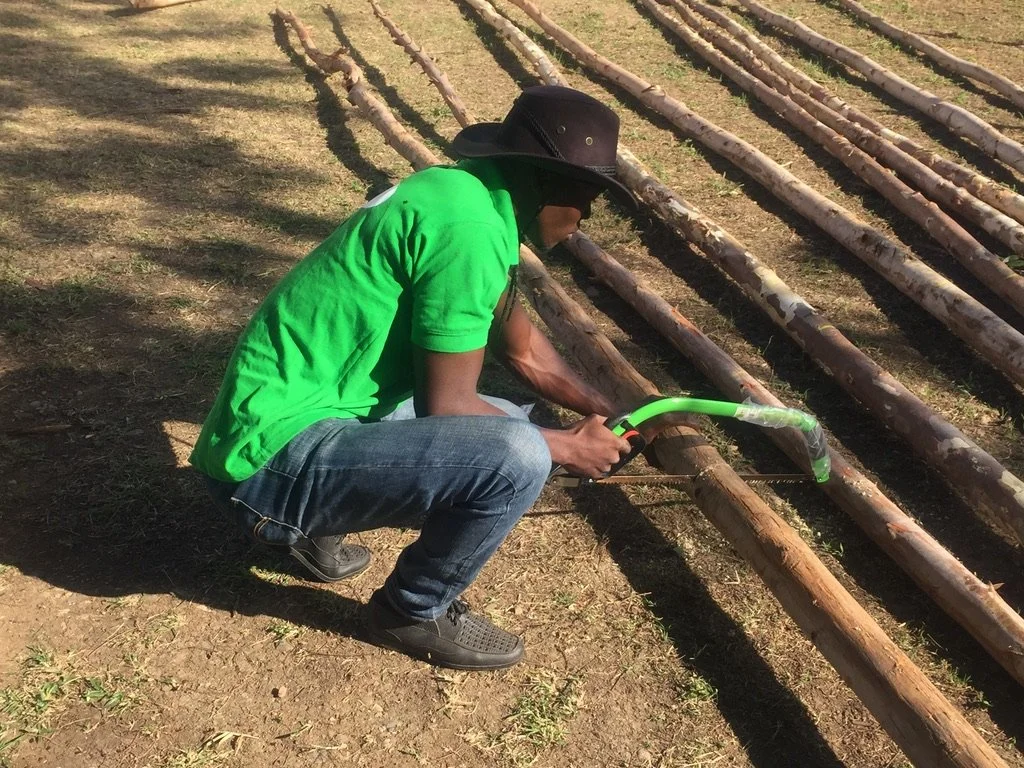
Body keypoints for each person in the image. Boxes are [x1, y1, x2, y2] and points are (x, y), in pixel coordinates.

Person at [190, 85, 640, 671]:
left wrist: (616, 413)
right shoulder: (469, 232)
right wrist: (567, 448)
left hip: (278, 425)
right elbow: (447, 407)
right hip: (268, 463)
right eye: (590, 193)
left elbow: (525, 351)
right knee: (517, 454)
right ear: (545, 179)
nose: (591, 214)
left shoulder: (460, 196)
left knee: (506, 421)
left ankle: (307, 524)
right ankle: (410, 610)